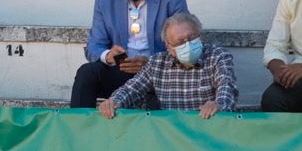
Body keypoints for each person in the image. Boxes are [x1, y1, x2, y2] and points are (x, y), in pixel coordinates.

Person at [70, 0, 189, 108]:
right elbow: (94, 45)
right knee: (86, 73)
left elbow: (184, 44)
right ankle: (79, 129)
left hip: (160, 73)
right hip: (120, 71)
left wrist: (151, 63)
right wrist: (108, 55)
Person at [97, 13, 237, 119]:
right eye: (180, 42)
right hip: (170, 136)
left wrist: (218, 104)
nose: (187, 44)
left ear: (200, 36)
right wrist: (114, 102)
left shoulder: (218, 55)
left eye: (192, 38)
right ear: (169, 47)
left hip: (208, 127)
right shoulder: (157, 63)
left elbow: (227, 85)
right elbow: (132, 89)